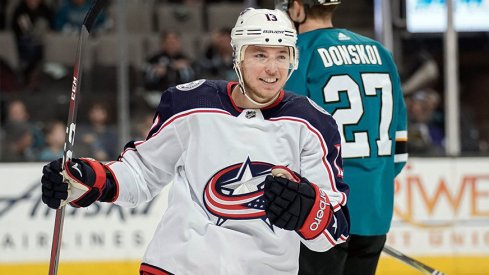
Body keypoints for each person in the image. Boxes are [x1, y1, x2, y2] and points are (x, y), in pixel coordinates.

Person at [40, 8, 350, 274]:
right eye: (259, 54)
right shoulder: (191, 103)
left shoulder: (313, 124)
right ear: (238, 57)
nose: (272, 68)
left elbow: (333, 231)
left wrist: (309, 209)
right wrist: (90, 178)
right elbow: (142, 174)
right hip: (178, 266)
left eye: (282, 56)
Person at [275, 0, 408, 274]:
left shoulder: (298, 54)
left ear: (298, 8)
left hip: (320, 211)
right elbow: (399, 150)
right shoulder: (380, 53)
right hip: (376, 210)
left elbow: (286, 135)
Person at [11, 0, 54, 90]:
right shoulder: (20, 9)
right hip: (24, 43)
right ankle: (30, 76)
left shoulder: (45, 9)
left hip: (43, 43)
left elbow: (52, 27)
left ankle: (35, 76)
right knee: (31, 49)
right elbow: (14, 30)